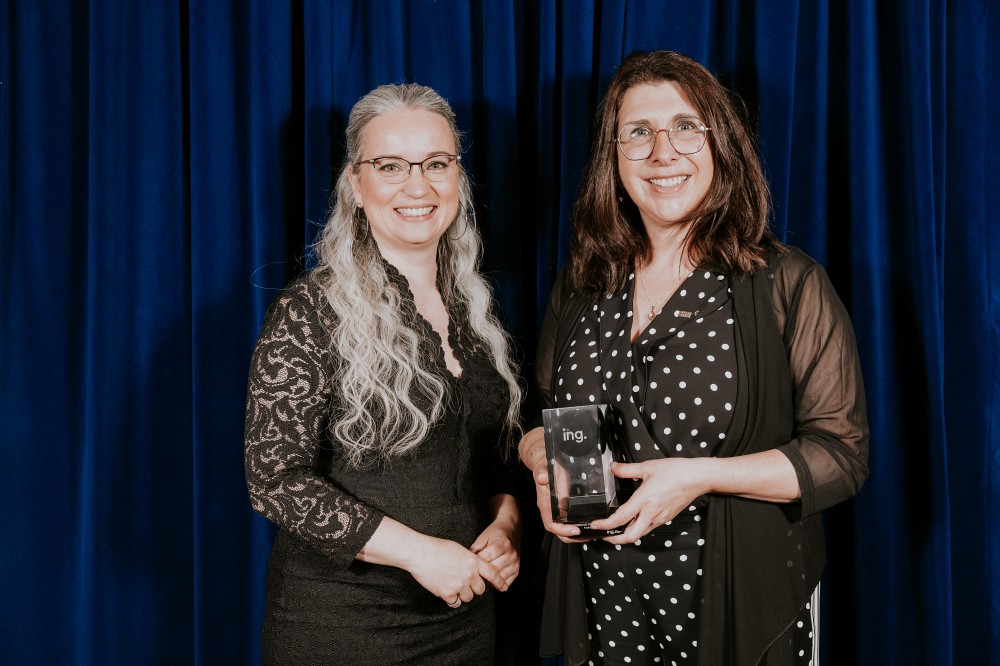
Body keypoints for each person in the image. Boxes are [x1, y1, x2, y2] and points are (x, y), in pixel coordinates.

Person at [518, 51, 869, 666]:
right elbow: (542, 417)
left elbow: (841, 457)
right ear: (613, 155)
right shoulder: (582, 284)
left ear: (720, 145)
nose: (662, 152)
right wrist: (542, 468)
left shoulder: (787, 282)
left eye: (685, 127)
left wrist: (701, 475)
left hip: (738, 606)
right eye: (639, 133)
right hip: (604, 602)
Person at [244, 83, 523, 665]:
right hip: (340, 627)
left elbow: (494, 463)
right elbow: (274, 479)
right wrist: (420, 554)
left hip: (465, 623)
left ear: (458, 177)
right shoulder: (311, 311)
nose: (417, 186)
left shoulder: (476, 311)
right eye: (391, 165)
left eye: (436, 164)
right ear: (356, 183)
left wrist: (505, 529)